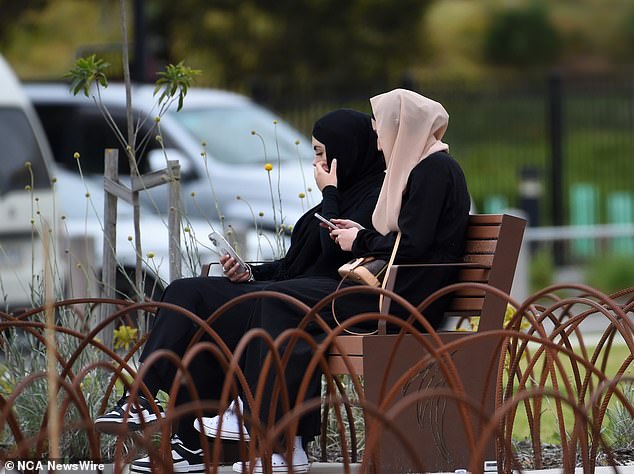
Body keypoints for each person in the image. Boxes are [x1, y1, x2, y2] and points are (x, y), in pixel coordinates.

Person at [93, 108, 385, 473]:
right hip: (287, 294)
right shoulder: (335, 200)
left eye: (321, 153)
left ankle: (204, 439)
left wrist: (330, 194)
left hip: (325, 304)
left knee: (241, 310)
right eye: (314, 153)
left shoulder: (375, 197)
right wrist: (249, 271)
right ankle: (143, 401)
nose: (317, 164)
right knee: (186, 293)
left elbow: (335, 253)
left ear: (347, 152)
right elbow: (290, 267)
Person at [217, 88, 470, 473]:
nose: (379, 141)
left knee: (281, 301)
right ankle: (285, 444)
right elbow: (408, 238)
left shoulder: (435, 170)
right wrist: (361, 233)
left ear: (401, 130)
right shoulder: (424, 167)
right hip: (397, 288)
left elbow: (414, 245)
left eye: (381, 130)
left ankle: (269, 430)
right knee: (289, 311)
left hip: (408, 296)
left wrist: (361, 240)